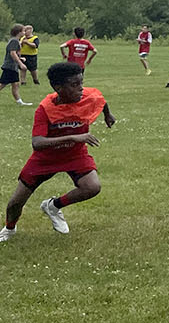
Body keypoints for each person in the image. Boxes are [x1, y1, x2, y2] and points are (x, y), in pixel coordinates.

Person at [1, 62, 115, 242]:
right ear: (58, 88)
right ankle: (9, 229)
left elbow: (100, 99)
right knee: (15, 202)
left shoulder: (86, 96)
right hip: (45, 158)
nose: (80, 89)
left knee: (92, 187)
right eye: (74, 85)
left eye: (81, 83)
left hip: (75, 155)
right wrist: (73, 138)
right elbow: (37, 143)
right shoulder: (45, 108)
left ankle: (53, 206)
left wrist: (108, 115)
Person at [3, 25, 32, 106]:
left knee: (15, 84)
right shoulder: (14, 41)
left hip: (12, 66)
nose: (24, 32)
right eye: (23, 31)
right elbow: (12, 53)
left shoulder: (15, 40)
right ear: (19, 32)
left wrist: (20, 58)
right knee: (2, 84)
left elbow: (14, 53)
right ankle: (19, 101)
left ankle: (19, 102)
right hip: (10, 66)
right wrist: (21, 63)